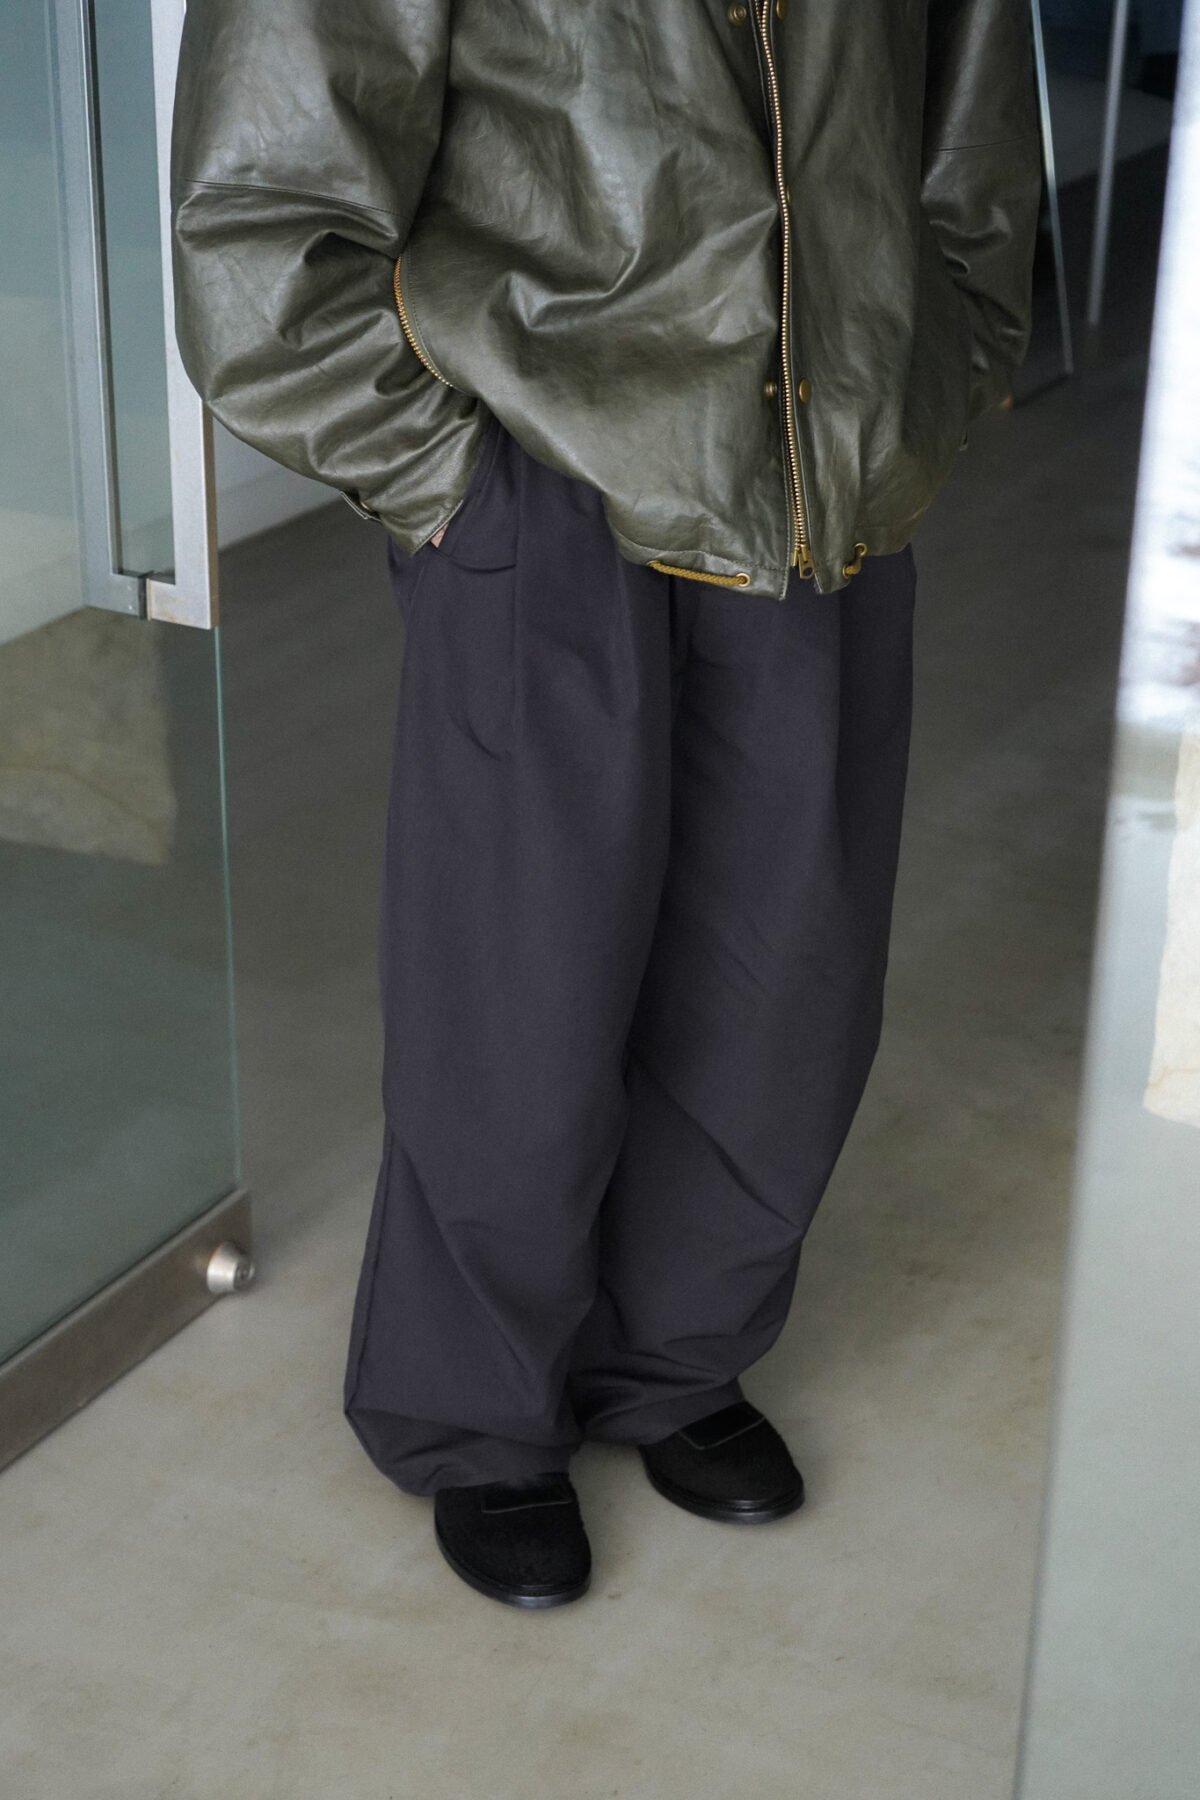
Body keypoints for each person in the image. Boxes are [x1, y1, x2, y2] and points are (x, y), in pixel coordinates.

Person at [171, 0, 1041, 1609]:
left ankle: (677, 1356)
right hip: (543, 472)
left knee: (788, 971)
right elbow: (260, 204)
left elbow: (969, 125)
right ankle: (480, 1416)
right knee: (522, 990)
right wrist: (448, 480)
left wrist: (931, 372)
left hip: (828, 462)